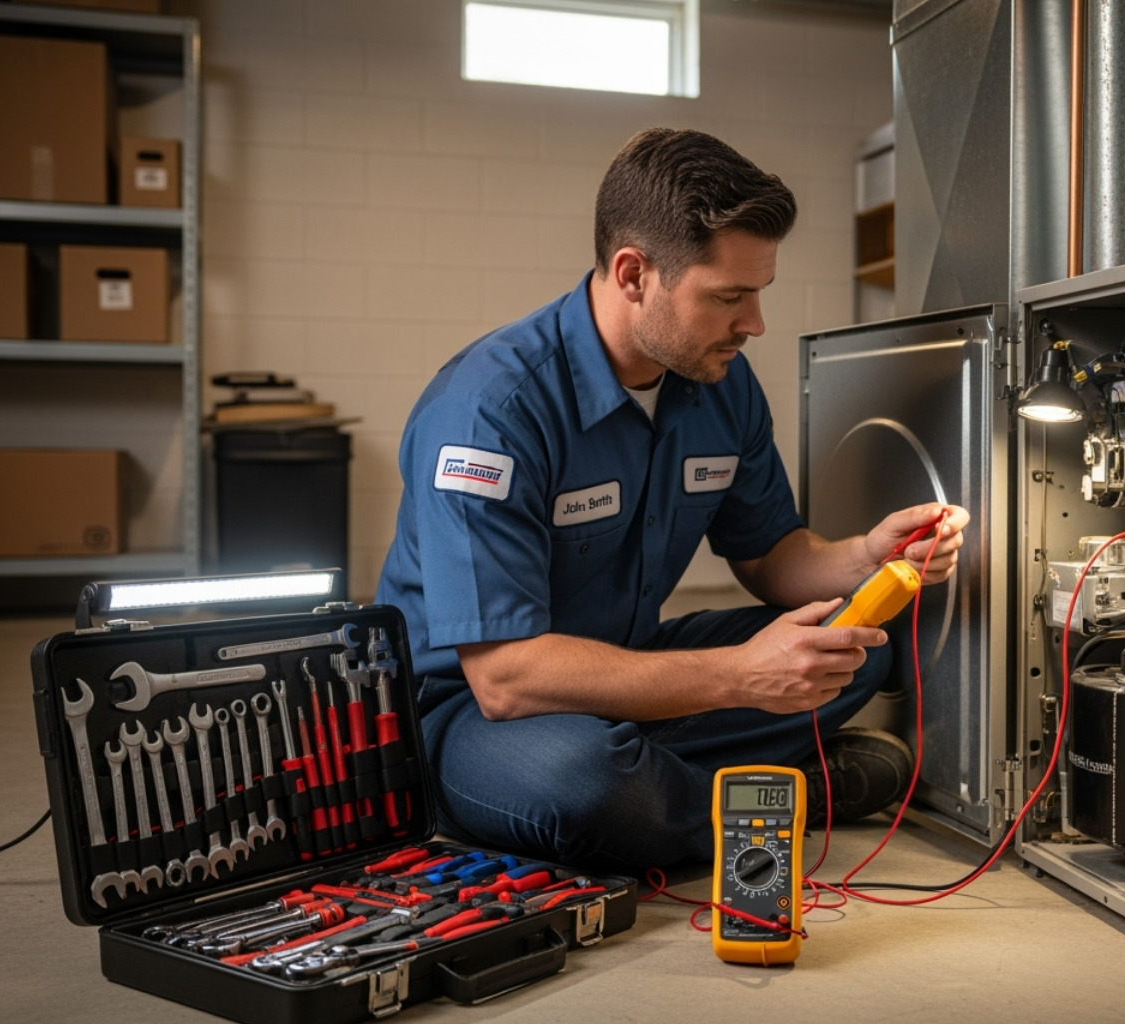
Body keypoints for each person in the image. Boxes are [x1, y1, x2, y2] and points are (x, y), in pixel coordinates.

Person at [375, 127, 969, 871]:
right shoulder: (491, 411)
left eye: (759, 294)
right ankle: (795, 794)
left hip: (625, 666)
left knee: (856, 649)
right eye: (730, 297)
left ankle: (671, 787)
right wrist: (742, 675)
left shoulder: (719, 381)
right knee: (585, 781)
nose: (753, 324)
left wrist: (864, 557)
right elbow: (506, 678)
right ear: (633, 274)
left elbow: (771, 556)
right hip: (471, 712)